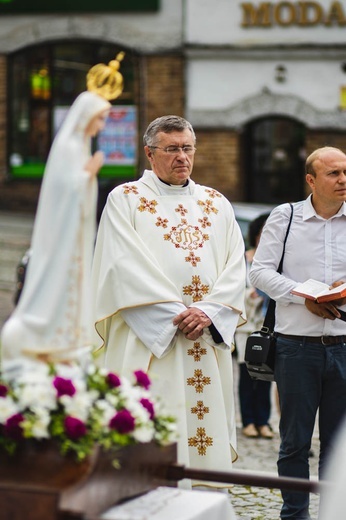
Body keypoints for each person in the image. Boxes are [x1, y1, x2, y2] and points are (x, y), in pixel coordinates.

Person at [91, 115, 246, 486]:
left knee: (203, 433)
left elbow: (236, 266)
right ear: (149, 153)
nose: (182, 157)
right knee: (154, 424)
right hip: (148, 339)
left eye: (187, 148)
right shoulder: (125, 199)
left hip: (205, 339)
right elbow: (121, 265)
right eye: (172, 149)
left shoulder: (216, 202)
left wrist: (208, 312)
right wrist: (177, 316)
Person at [249, 146, 346, 519]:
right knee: (294, 443)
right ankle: (294, 514)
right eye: (333, 173)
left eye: (345, 172)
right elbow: (259, 272)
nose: (342, 180)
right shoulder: (285, 217)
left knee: (338, 446)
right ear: (311, 180)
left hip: (342, 345)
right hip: (296, 348)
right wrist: (302, 295)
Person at [1, 90, 111, 371]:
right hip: (62, 233)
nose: (101, 126)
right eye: (100, 119)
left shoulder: (81, 146)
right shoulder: (69, 148)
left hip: (75, 234)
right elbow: (63, 190)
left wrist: (87, 177)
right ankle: (48, 329)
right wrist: (87, 175)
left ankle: (68, 334)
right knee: (57, 278)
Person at [235, 213, 273, 439]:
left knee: (267, 375)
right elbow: (232, 289)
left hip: (268, 326)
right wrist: (250, 295)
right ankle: (248, 420)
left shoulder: (278, 260)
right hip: (246, 325)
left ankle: (264, 421)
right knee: (247, 373)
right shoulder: (243, 259)